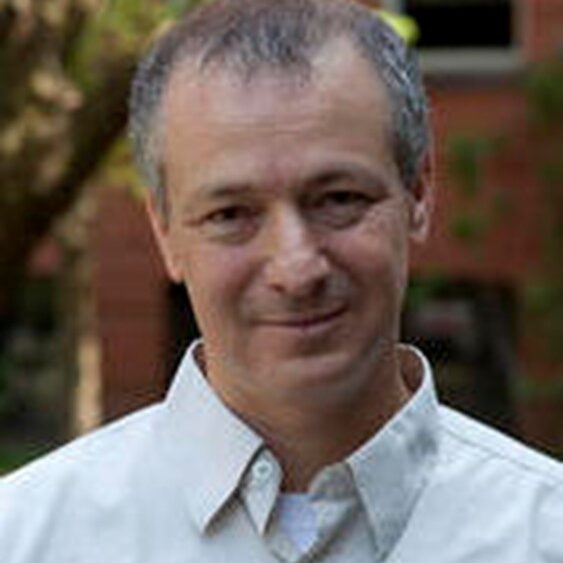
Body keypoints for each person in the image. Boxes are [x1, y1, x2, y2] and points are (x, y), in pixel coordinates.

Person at [1, 1, 562, 561]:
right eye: (231, 214)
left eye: (339, 199)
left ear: (418, 194)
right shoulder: (26, 538)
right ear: (164, 231)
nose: (296, 269)